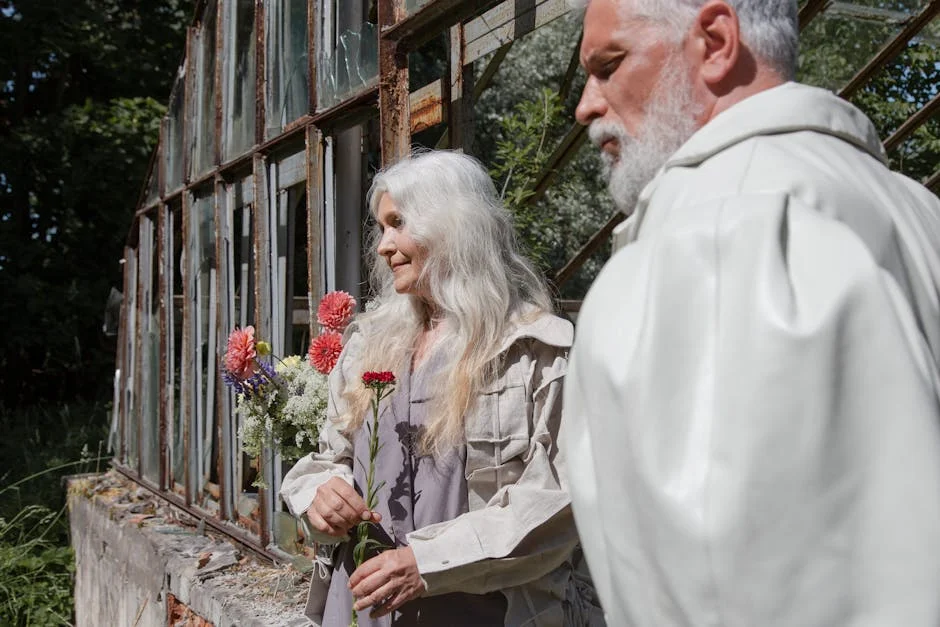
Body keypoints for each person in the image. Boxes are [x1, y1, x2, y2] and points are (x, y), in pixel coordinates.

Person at [563, 0, 940, 625]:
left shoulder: (719, 229)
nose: (587, 105)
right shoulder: (913, 211)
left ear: (714, 41)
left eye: (609, 64)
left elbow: (728, 591)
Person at [281, 150, 603, 626]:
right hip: (362, 609)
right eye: (381, 227)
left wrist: (426, 562)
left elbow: (557, 505)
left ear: (450, 226)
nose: (382, 246)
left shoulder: (534, 353)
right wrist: (320, 495)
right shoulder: (370, 344)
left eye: (398, 223)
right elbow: (330, 459)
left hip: (484, 612)